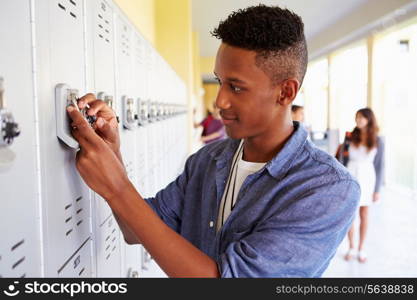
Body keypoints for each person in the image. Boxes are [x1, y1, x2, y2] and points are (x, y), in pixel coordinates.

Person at [66, 5, 359, 277]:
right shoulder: (208, 160)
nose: (220, 101)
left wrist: (118, 189)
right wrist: (111, 150)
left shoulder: (327, 189)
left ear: (285, 93)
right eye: (220, 82)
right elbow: (135, 229)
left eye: (236, 87)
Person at [340, 108, 385, 263]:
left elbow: (380, 166)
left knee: (364, 213)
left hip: (368, 176)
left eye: (362, 117)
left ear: (369, 119)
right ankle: (351, 247)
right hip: (350, 174)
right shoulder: (349, 136)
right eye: (357, 117)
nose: (358, 120)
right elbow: (341, 159)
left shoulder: (378, 140)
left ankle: (361, 248)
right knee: (350, 214)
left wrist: (377, 190)